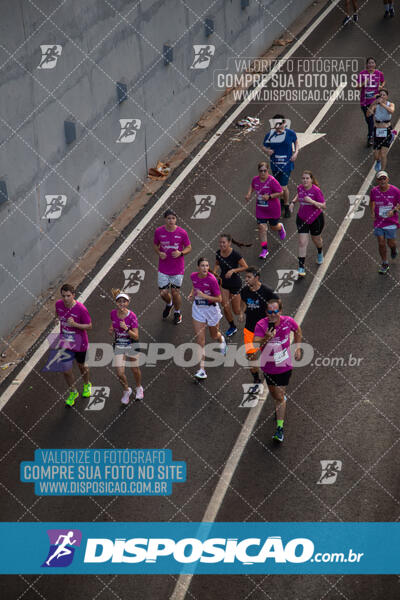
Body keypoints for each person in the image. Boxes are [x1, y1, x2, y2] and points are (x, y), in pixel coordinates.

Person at [253, 299, 302, 443]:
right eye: (270, 312)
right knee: (275, 395)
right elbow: (255, 346)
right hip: (269, 367)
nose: (273, 315)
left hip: (285, 366)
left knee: (280, 396)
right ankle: (280, 402)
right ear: (266, 312)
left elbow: (298, 330)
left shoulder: (288, 321)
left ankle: (279, 428)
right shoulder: (261, 325)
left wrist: (298, 347)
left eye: (276, 311)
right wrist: (266, 338)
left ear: (280, 311)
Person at [239, 267, 280, 385]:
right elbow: (243, 302)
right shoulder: (245, 290)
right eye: (245, 277)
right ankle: (256, 379)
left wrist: (273, 324)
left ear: (256, 278)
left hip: (265, 330)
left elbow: (277, 305)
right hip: (249, 329)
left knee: (268, 358)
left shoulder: (267, 291)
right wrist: (242, 312)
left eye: (249, 277)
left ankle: (273, 379)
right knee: (251, 356)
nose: (246, 280)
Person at [54, 284, 92, 407]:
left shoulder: (81, 309)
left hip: (80, 343)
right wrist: (56, 319)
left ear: (74, 295)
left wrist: (75, 324)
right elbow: (57, 314)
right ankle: (73, 392)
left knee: (82, 367)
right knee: (66, 370)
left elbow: (89, 326)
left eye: (68, 296)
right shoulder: (58, 305)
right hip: (65, 342)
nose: (65, 298)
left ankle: (87, 384)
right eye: (63, 296)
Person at [189, 258, 226, 380]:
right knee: (200, 341)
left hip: (211, 310)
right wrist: (192, 294)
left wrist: (204, 296)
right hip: (198, 309)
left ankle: (221, 340)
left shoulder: (212, 280)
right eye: (202, 266)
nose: (205, 268)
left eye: (206, 265)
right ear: (198, 267)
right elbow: (195, 286)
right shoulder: (193, 276)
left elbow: (219, 299)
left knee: (214, 335)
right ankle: (202, 369)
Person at [154, 209, 192, 324]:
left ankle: (177, 312)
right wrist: (159, 253)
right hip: (163, 268)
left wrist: (181, 253)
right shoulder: (159, 231)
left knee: (175, 292)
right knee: (163, 293)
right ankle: (169, 304)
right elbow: (155, 245)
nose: (171, 220)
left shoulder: (182, 232)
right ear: (165, 219)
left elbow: (189, 247)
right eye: (169, 218)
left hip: (177, 268)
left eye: (173, 218)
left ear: (176, 219)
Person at [245, 161, 286, 260]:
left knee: (273, 227)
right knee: (261, 228)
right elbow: (252, 186)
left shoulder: (272, 180)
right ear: (258, 171)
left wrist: (270, 196)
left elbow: (281, 192)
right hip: (261, 209)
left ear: (268, 171)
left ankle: (280, 227)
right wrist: (249, 194)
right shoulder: (255, 179)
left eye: (265, 170)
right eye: (261, 171)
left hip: (273, 209)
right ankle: (264, 249)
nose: (263, 173)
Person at [289, 170, 326, 276]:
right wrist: (293, 202)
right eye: (303, 178)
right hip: (302, 218)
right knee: (302, 242)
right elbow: (298, 194)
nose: (305, 180)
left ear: (311, 180)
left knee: (316, 240)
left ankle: (320, 252)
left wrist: (312, 201)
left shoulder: (316, 191)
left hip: (316, 219)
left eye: (307, 178)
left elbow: (324, 206)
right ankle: (301, 267)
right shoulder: (300, 187)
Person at [109, 289, 143, 403]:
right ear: (116, 302)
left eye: (124, 301)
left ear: (128, 302)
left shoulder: (132, 316)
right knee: (120, 373)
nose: (121, 303)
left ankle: (139, 387)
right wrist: (112, 328)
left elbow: (136, 336)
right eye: (119, 301)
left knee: (134, 369)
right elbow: (113, 322)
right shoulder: (113, 313)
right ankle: (126, 390)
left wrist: (126, 329)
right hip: (119, 344)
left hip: (131, 344)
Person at [213, 234, 250, 338]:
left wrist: (233, 270)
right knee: (225, 305)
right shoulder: (218, 253)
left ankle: (246, 304)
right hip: (223, 282)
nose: (221, 244)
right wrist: (214, 272)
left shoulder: (235, 254)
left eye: (224, 242)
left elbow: (245, 266)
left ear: (229, 243)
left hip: (235, 283)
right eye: (220, 242)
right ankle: (232, 326)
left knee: (237, 311)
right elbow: (217, 264)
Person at [263, 115, 299, 218]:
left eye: (279, 124)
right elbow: (264, 146)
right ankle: (282, 201)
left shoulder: (290, 133)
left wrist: (295, 153)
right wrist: (267, 151)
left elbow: (296, 143)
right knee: (277, 186)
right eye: (275, 124)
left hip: (286, 165)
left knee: (283, 187)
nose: (277, 126)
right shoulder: (270, 135)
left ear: (284, 124)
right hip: (275, 165)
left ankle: (286, 206)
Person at [370, 171, 400, 274]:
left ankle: (393, 248)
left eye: (384, 178)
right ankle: (384, 263)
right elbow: (372, 201)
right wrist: (372, 212)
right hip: (379, 221)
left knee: (390, 243)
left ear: (388, 179)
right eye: (380, 179)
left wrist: (394, 211)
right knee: (381, 242)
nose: (382, 180)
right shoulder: (374, 191)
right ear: (377, 181)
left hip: (391, 221)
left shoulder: (395, 191)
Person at [357, 57, 385, 147]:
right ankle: (372, 135)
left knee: (376, 119)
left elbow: (383, 81)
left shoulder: (379, 73)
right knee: (369, 120)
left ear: (375, 64)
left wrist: (381, 86)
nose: (371, 65)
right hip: (365, 102)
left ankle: (371, 137)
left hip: (376, 101)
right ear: (366, 65)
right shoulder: (362, 74)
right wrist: (363, 83)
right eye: (369, 63)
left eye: (372, 63)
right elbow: (356, 87)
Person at [367, 89, 395, 172]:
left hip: (387, 130)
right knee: (376, 155)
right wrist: (373, 102)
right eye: (380, 95)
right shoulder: (375, 106)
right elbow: (368, 114)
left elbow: (391, 111)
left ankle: (382, 172)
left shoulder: (390, 104)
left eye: (383, 95)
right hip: (377, 131)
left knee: (383, 154)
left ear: (387, 96)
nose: (382, 96)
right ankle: (378, 161)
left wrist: (382, 104)